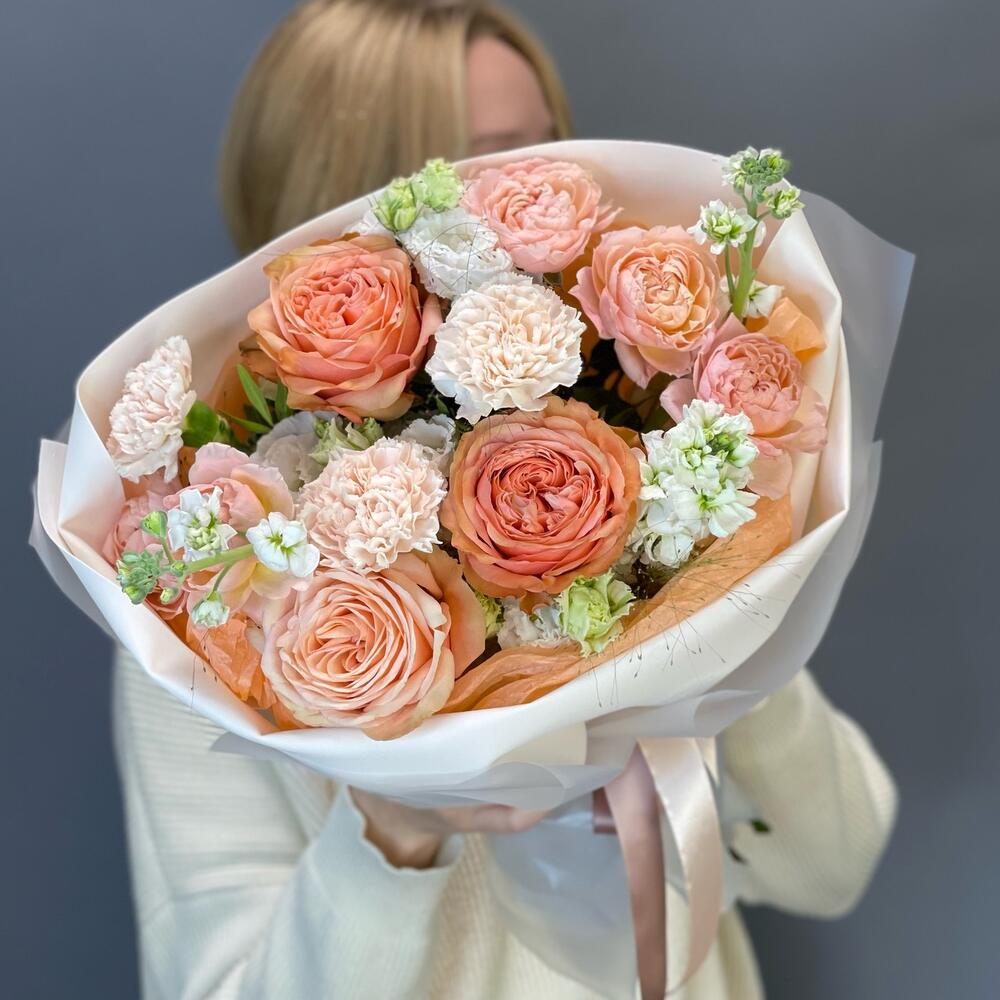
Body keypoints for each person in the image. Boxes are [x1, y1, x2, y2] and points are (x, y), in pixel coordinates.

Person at [113, 2, 897, 997]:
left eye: (547, 148)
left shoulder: (646, 488)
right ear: (342, 201)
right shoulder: (208, 601)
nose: (534, 193)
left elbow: (837, 864)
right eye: (477, 163)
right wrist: (393, 826)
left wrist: (717, 627)